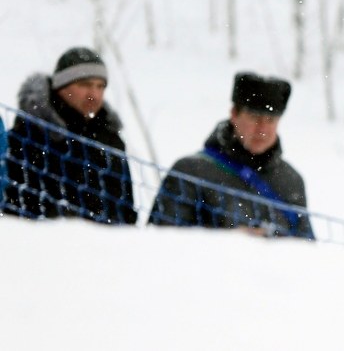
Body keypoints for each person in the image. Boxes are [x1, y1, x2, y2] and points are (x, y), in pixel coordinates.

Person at [148, 72, 315, 240]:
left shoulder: (291, 181)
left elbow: (307, 252)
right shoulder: (190, 172)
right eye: (254, 117)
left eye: (271, 120)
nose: (262, 129)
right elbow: (161, 245)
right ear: (234, 113)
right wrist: (228, 243)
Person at [1, 46, 137, 224]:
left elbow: (126, 209)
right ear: (61, 87)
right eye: (85, 85)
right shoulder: (28, 135)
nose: (94, 94)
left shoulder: (111, 140)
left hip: (111, 245)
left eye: (100, 86)